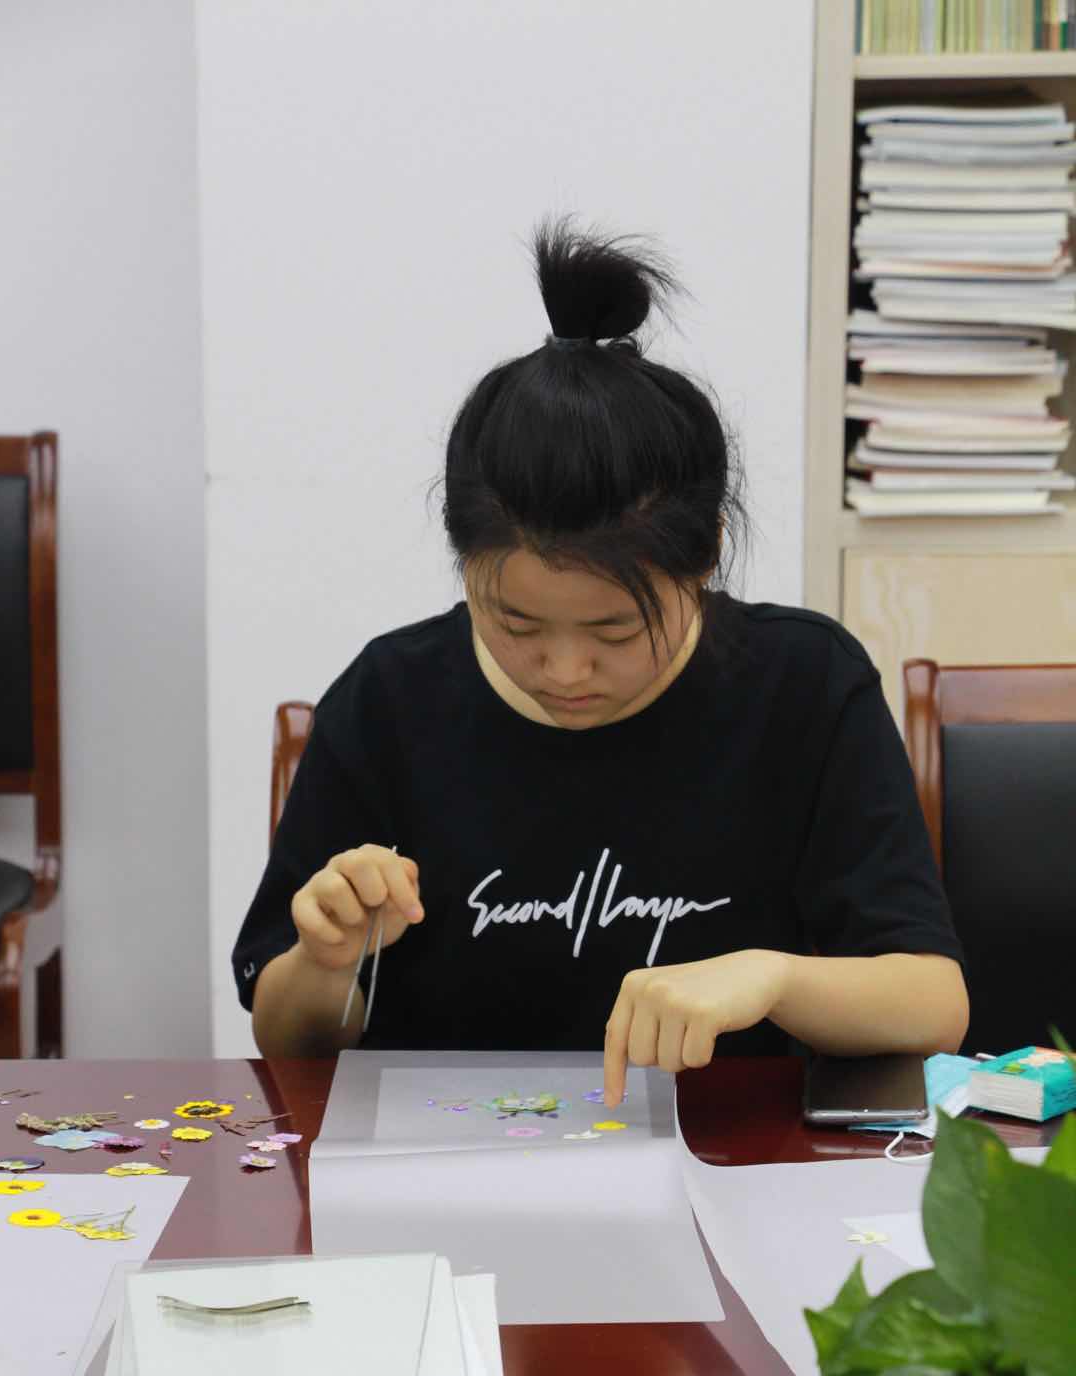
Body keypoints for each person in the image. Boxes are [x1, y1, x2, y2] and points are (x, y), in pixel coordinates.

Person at [233, 216, 969, 1103]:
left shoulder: (804, 687)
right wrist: (328, 960)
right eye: (514, 623)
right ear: (463, 565)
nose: (564, 670)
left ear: (707, 556)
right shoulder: (389, 699)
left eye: (616, 631)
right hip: (445, 1158)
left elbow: (933, 1004)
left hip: (722, 1153)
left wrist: (772, 978)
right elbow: (285, 1042)